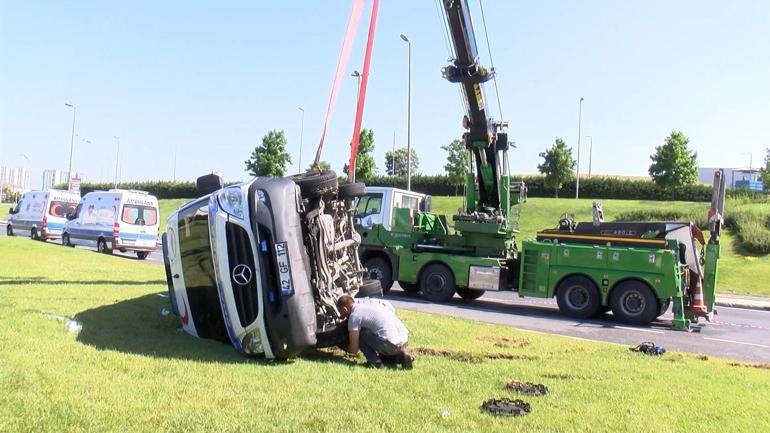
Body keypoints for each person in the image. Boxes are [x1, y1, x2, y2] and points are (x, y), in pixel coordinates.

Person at [337, 294, 413, 369]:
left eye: (342, 314)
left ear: (345, 309)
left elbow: (354, 350)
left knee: (361, 332)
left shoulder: (355, 316)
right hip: (404, 340)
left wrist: (345, 348)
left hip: (390, 344)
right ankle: (402, 355)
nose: (343, 316)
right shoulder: (371, 305)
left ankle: (376, 363)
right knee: (386, 356)